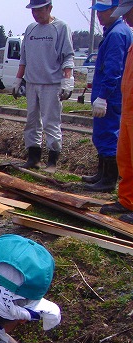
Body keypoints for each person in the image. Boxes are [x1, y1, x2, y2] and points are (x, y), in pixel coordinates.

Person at [13, 0, 74, 172]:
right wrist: (19, 79)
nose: (36, 14)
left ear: (49, 8)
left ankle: (52, 161)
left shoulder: (61, 28)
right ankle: (33, 157)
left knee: (51, 122)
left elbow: (68, 56)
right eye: (33, 11)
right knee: (32, 121)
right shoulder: (31, 29)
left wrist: (67, 80)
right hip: (32, 82)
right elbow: (23, 58)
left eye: (40, 11)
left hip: (51, 83)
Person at [82, 0, 132, 193]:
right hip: (109, 94)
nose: (99, 15)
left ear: (114, 11)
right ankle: (102, 173)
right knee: (102, 134)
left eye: (103, 12)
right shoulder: (113, 31)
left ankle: (109, 179)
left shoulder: (117, 34)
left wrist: (103, 96)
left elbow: (113, 69)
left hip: (110, 97)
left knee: (108, 135)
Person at [100, 0, 133, 223]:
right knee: (125, 156)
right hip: (129, 104)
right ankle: (128, 200)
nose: (127, 18)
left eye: (129, 13)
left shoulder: (120, 34)